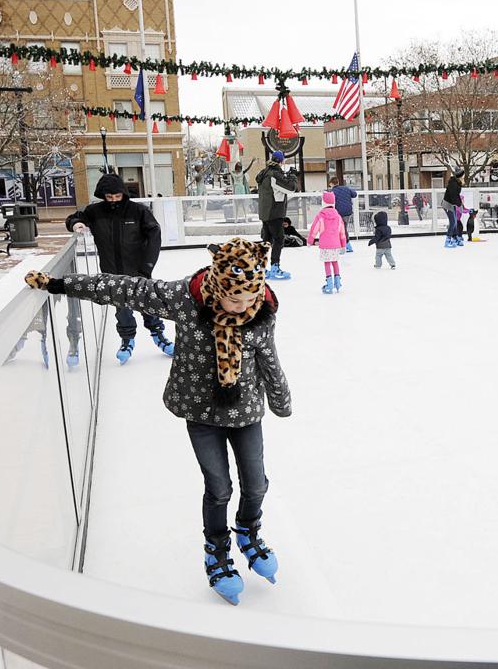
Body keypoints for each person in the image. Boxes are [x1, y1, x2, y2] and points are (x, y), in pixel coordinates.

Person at [24, 238, 291, 606]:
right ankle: (216, 550)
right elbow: (125, 289)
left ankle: (248, 531)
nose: (242, 308)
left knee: (256, 484)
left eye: (248, 300)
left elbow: (268, 358)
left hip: (246, 412)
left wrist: (280, 399)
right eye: (234, 300)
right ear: (217, 284)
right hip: (200, 413)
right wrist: (60, 284)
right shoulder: (185, 299)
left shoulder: (261, 310)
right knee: (219, 488)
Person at [65, 172, 173, 364]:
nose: (114, 200)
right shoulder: (95, 211)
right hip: (112, 273)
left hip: (138, 271)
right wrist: (77, 223)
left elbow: (154, 235)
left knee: (148, 303)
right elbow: (74, 218)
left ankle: (159, 335)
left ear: (123, 193)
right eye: (109, 197)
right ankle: (127, 340)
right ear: (103, 196)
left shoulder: (138, 211)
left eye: (117, 196)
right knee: (122, 309)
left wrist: (147, 265)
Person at [255, 151, 297, 281]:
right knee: (279, 240)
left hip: (265, 212)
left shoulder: (264, 173)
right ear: (281, 161)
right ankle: (275, 267)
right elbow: (291, 188)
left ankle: (260, 268)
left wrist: (286, 176)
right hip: (274, 212)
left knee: (266, 241)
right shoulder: (274, 174)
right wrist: (293, 176)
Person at [307, 191, 348, 294]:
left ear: (323, 202)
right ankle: (337, 282)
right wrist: (343, 244)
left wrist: (310, 240)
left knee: (327, 263)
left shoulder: (321, 215)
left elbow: (314, 229)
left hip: (325, 245)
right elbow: (342, 232)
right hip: (336, 245)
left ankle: (329, 284)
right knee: (335, 262)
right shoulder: (338, 216)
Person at [328, 177, 358, 253]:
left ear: (331, 184)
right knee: (344, 228)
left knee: (341, 229)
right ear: (338, 182)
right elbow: (354, 194)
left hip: (339, 213)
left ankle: (345, 246)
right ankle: (346, 245)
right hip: (348, 212)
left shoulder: (332, 192)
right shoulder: (346, 188)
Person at [442, 170, 464, 248]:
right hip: (448, 205)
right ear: (460, 176)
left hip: (452, 204)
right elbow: (454, 196)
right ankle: (447, 241)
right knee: (453, 222)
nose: (464, 177)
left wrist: (460, 204)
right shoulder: (453, 184)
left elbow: (457, 195)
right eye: (463, 176)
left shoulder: (457, 183)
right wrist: (459, 205)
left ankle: (455, 238)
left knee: (455, 222)